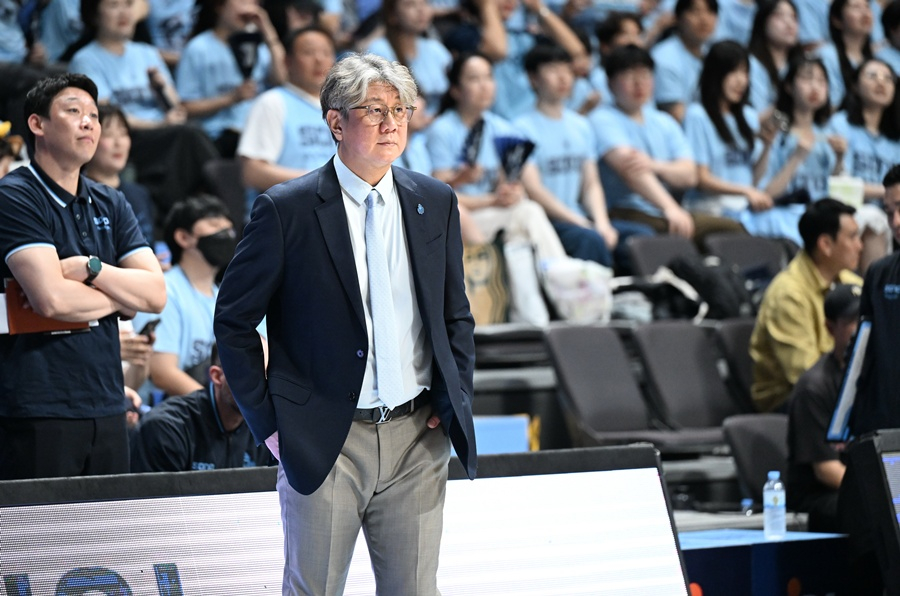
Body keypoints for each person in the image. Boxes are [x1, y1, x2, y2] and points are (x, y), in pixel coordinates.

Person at [214, 53, 477, 594]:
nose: (391, 123)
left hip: (417, 436)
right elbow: (234, 324)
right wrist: (272, 427)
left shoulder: (435, 201)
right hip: (324, 439)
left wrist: (455, 399)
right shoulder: (285, 209)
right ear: (336, 123)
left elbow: (455, 314)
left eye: (400, 110)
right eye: (374, 110)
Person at [0, 73, 166, 479]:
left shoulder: (112, 201)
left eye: (94, 115)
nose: (89, 122)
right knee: (41, 524)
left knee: (108, 521)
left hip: (108, 401)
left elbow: (156, 294)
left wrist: (91, 269)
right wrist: (121, 298)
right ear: (37, 124)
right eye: (73, 111)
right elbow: (52, 299)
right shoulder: (14, 195)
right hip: (36, 406)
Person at [516, 43, 653, 272]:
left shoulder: (581, 125)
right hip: (548, 223)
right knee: (589, 239)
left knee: (643, 236)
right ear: (533, 78)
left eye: (567, 70)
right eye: (552, 70)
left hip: (583, 219)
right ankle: (601, 295)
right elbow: (534, 189)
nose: (563, 77)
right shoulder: (521, 128)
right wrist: (580, 222)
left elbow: (591, 184)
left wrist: (602, 223)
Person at [588, 44, 744, 244]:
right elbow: (632, 172)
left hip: (664, 210)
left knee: (732, 229)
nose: (639, 83)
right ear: (610, 83)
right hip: (625, 210)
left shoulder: (664, 121)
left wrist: (654, 166)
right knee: (685, 235)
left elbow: (690, 175)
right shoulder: (602, 119)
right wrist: (670, 207)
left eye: (645, 75)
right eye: (629, 76)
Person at [683, 40, 805, 243]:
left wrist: (766, 147)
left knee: (797, 219)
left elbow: (753, 178)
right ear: (715, 74)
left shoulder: (748, 116)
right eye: (733, 72)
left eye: (745, 73)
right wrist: (746, 191)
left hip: (744, 207)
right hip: (710, 208)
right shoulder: (698, 115)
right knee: (780, 227)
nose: (741, 81)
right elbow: (701, 179)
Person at [750, 198, 863, 413]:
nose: (860, 245)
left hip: (840, 386)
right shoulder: (788, 294)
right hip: (790, 403)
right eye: (852, 237)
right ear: (825, 245)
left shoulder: (852, 283)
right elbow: (806, 376)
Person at [133, 195, 238, 399]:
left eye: (229, 229)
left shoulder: (224, 298)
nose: (226, 234)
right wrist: (218, 407)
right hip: (166, 411)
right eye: (215, 225)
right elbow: (163, 373)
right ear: (183, 237)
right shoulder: (165, 290)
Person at [787, 282, 860, 533]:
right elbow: (827, 471)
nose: (861, 327)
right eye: (852, 321)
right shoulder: (814, 387)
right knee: (873, 512)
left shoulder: (879, 378)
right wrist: (880, 492)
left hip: (860, 488)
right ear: (830, 327)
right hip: (821, 496)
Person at [130, 344, 272, 472]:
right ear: (217, 376)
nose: (263, 385)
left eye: (268, 374)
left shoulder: (269, 429)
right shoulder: (165, 429)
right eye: (251, 374)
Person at [176, 0, 287, 158]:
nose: (250, 9)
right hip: (217, 137)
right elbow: (185, 107)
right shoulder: (198, 48)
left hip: (259, 134)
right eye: (243, 1)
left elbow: (282, 79)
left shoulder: (258, 47)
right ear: (220, 6)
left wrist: (268, 31)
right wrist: (231, 98)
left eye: (255, 3)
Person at [237, 26, 336, 201]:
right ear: (287, 61)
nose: (319, 60)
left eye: (326, 53)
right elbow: (252, 172)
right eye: (308, 52)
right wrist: (320, 183)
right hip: (286, 210)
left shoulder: (342, 108)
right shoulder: (272, 102)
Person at [850, 163, 900, 435]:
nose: (896, 223)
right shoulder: (879, 274)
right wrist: (845, 423)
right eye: (889, 212)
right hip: (887, 429)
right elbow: (862, 354)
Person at [650, 0, 719, 124]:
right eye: (695, 12)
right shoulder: (665, 57)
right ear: (678, 18)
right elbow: (677, 116)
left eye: (710, 12)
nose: (704, 19)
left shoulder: (713, 53)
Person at [747, 0, 802, 114]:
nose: (789, 24)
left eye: (794, 17)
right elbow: (758, 114)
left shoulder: (802, 63)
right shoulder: (751, 64)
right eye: (779, 16)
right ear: (762, 21)